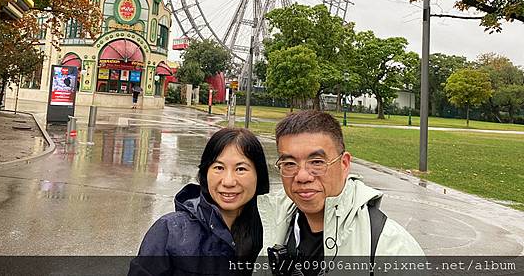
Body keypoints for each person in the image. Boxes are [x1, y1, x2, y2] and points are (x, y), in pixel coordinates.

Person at [258, 110, 423, 275]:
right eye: (289, 163)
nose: (302, 176)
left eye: (316, 162)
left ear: (344, 164)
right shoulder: (273, 227)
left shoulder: (392, 248)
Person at [129, 128, 269, 275]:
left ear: (259, 175)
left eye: (240, 169)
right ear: (205, 173)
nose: (228, 181)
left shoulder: (266, 231)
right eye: (219, 167)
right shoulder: (170, 230)